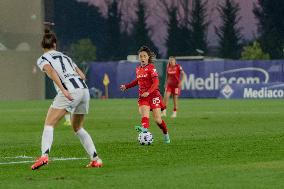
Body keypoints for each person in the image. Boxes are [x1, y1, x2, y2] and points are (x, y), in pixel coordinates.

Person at [31, 29, 102, 170]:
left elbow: (51, 71)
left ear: (42, 46)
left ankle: (44, 156)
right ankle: (95, 159)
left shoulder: (43, 59)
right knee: (78, 127)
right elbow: (82, 75)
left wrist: (63, 90)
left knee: (49, 123)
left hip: (70, 91)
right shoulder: (65, 57)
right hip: (84, 90)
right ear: (55, 45)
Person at [120, 46, 170, 144]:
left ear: (148, 57)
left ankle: (166, 134)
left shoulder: (151, 68)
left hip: (154, 95)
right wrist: (127, 86)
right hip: (143, 96)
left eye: (144, 56)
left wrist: (149, 91)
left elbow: (156, 82)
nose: (142, 58)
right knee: (144, 114)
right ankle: (145, 130)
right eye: (141, 56)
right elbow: (138, 81)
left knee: (158, 120)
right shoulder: (138, 69)